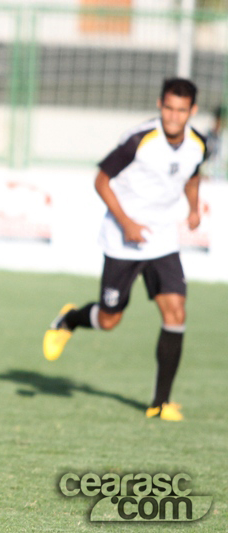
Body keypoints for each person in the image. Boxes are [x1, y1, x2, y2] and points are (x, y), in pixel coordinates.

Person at [43, 78, 206, 422]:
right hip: (123, 239)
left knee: (176, 313)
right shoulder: (138, 140)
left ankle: (159, 404)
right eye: (168, 108)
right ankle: (69, 319)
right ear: (160, 105)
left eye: (181, 110)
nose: (174, 117)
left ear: (192, 111)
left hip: (162, 240)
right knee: (109, 320)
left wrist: (193, 208)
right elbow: (101, 180)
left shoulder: (197, 144)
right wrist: (128, 223)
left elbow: (192, 176)